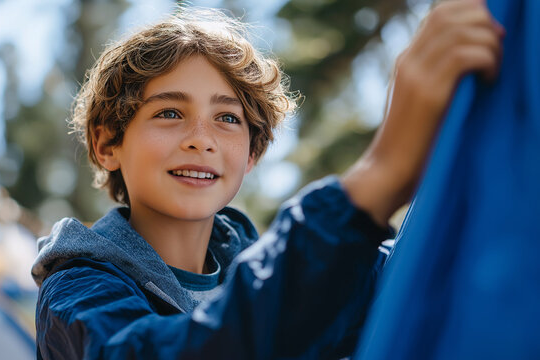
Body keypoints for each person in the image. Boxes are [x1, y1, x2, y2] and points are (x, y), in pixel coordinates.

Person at [32, 1, 503, 359]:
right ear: (106, 144)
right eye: (170, 112)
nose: (202, 140)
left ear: (253, 153)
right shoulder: (78, 291)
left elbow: (422, 275)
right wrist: (379, 175)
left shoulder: (277, 268)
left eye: (228, 119)